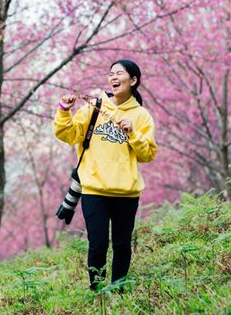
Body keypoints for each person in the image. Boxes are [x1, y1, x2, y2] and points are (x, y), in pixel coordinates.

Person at [54, 60, 157, 291]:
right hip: (94, 189)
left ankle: (119, 290)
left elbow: (148, 154)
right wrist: (64, 110)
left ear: (133, 81)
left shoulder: (141, 116)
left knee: (122, 245)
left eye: (119, 73)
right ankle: (98, 293)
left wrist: (132, 132)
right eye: (111, 73)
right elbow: (69, 134)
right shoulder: (94, 107)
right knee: (98, 244)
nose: (113, 77)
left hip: (126, 192)